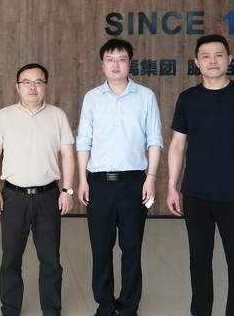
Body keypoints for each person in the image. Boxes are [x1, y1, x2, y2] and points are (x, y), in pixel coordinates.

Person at [166, 34, 234, 316]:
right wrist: (172, 187)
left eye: (219, 55)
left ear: (229, 59)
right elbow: (177, 145)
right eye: (206, 56)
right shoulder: (188, 99)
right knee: (199, 260)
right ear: (197, 62)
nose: (213, 61)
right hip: (195, 193)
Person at [76, 39, 163, 316]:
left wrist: (151, 178)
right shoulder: (92, 98)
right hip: (99, 183)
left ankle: (128, 306)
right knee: (101, 247)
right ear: (102, 64)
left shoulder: (145, 96)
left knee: (132, 247)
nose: (116, 65)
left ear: (130, 63)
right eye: (110, 60)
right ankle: (104, 304)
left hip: (134, 182)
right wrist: (82, 179)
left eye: (121, 59)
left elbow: (155, 139)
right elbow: (84, 141)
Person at [0, 63, 76, 316]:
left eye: (38, 82)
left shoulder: (58, 115)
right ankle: (10, 309)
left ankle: (52, 309)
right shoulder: (4, 116)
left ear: (46, 86)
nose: (32, 87)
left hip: (48, 196)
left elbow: (68, 154)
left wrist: (67, 191)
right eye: (26, 82)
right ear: (17, 87)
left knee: (50, 259)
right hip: (12, 196)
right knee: (10, 258)